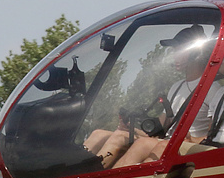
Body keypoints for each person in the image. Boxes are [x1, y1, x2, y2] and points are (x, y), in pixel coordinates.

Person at [84, 26, 212, 167]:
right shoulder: (177, 87)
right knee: (99, 133)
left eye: (179, 51)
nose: (174, 56)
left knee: (120, 138)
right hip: (164, 140)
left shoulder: (211, 90)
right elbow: (161, 128)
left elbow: (212, 137)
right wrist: (131, 129)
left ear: (195, 54)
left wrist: (192, 139)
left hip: (181, 146)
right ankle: (79, 173)